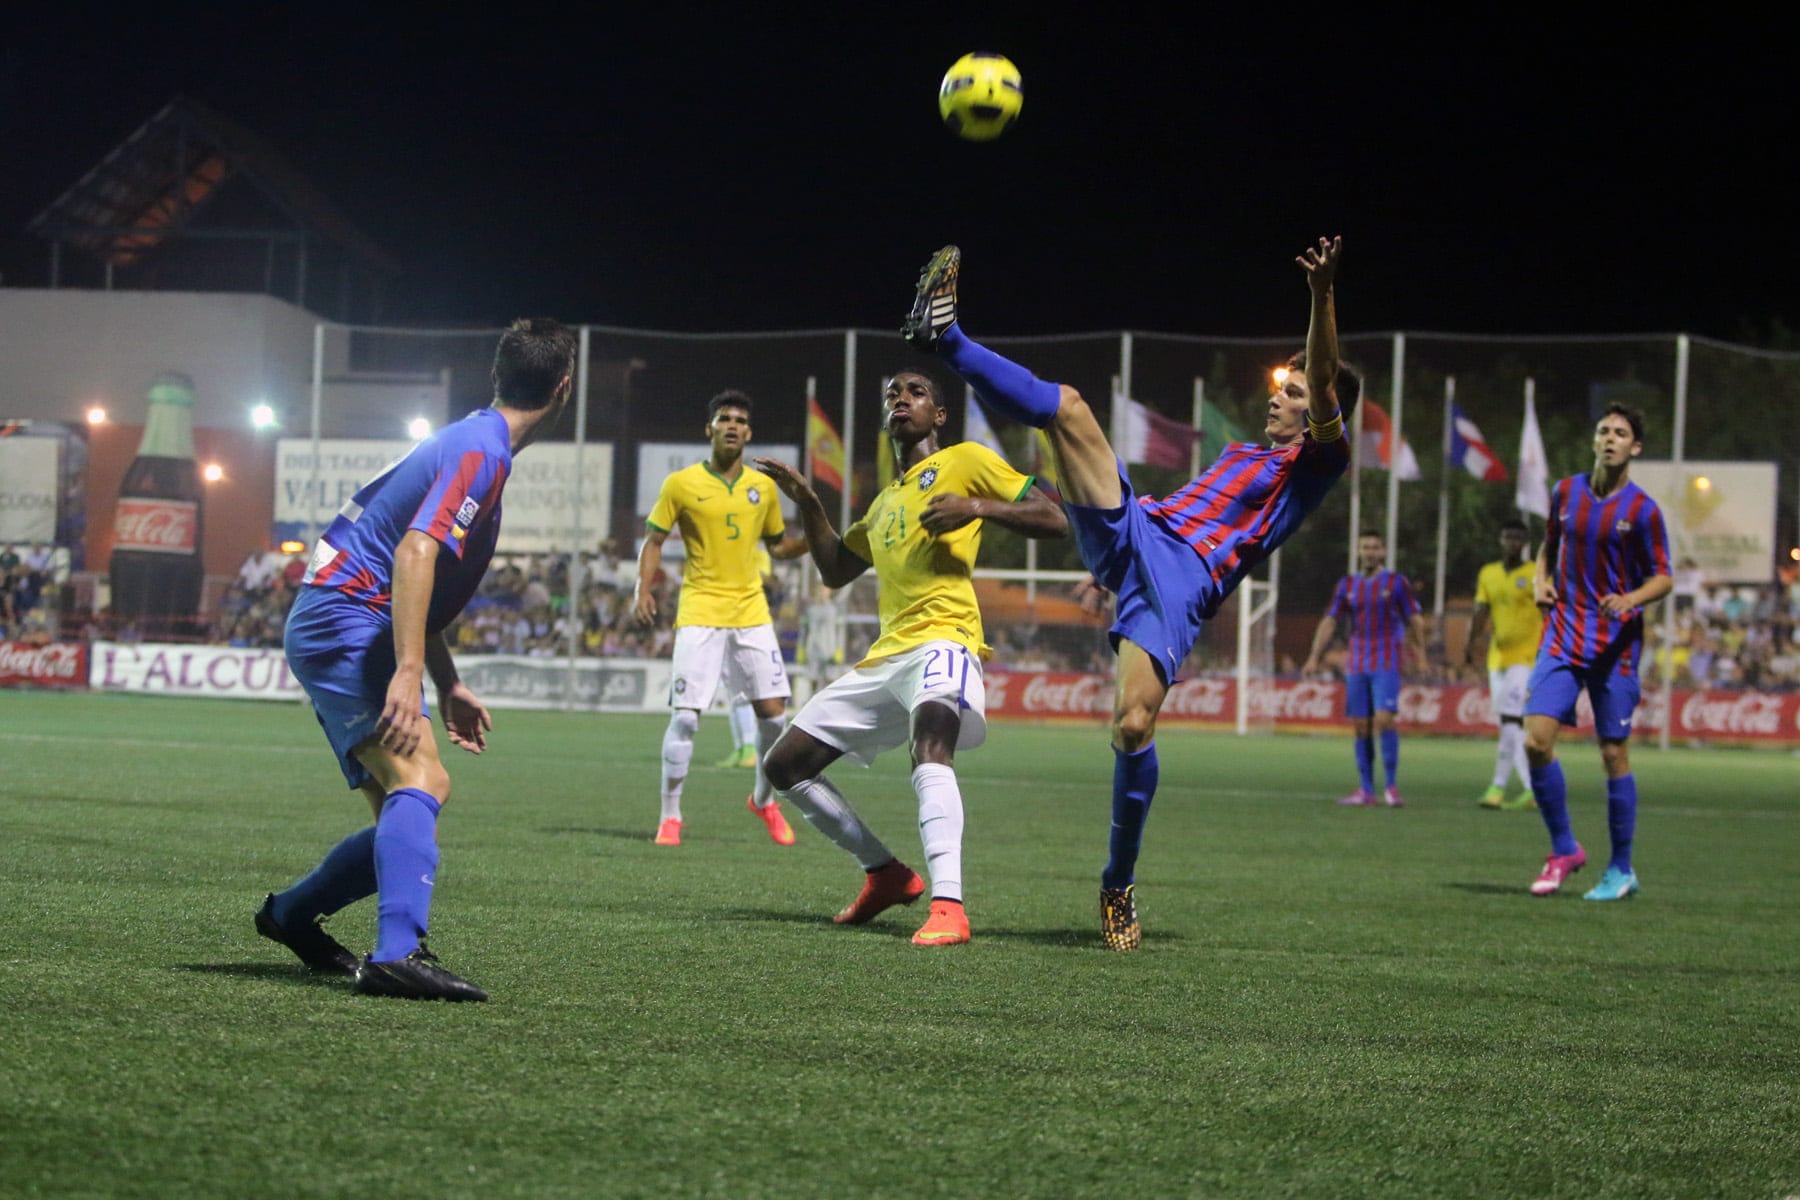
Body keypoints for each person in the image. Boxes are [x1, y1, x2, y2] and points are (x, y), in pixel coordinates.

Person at [900, 236, 1355, 951]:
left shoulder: (1320, 461)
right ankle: (946, 337)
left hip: (1181, 582)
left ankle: (1118, 881)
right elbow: (1184, 507)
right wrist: (1104, 559)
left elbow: (1326, 380)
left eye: (1293, 393)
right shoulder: (1243, 454)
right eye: (1283, 387)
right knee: (1069, 408)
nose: (1279, 396)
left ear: (1322, 410)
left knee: (1133, 726)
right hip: (1140, 529)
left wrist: (1322, 295)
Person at [258, 317, 577, 1001]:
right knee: (423, 781)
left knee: (403, 818)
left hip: (344, 614)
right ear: (564, 387)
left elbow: (413, 574)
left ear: (497, 376)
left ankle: (290, 916)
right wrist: (408, 672)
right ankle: (397, 955)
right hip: (348, 618)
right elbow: (414, 553)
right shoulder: (483, 451)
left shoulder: (474, 440)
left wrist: (447, 681)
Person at [756, 371, 1067, 947]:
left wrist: (977, 505)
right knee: (785, 766)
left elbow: (1054, 518)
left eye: (916, 392)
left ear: (939, 416)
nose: (901, 398)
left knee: (930, 748)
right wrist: (809, 504)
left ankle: (949, 905)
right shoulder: (883, 504)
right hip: (886, 658)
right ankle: (886, 874)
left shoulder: (965, 459)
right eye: (892, 393)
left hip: (945, 639)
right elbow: (835, 570)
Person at [635, 390, 809, 847]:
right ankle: (670, 817)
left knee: (774, 720)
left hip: (751, 612)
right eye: (724, 418)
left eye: (740, 421)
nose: (733, 425)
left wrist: (818, 534)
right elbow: (654, 540)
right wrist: (642, 589)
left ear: (749, 434)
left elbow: (779, 547)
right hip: (700, 610)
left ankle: (763, 801)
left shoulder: (763, 488)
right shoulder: (681, 484)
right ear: (709, 429)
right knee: (686, 719)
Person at [1523, 403, 1671, 900]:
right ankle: (1564, 849)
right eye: (1604, 430)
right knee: (1535, 742)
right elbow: (1548, 545)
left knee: (1612, 752)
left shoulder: (1644, 510)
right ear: (1594, 440)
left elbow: (1664, 577)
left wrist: (1631, 599)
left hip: (1616, 644)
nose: (1610, 438)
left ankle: (1621, 869)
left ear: (1635, 447)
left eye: (1621, 433)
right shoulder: (1565, 492)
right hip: (1563, 635)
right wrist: (1540, 581)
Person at [1303, 531, 1426, 807]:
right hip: (1357, 661)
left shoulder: (1396, 582)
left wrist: (1421, 655)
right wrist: (1313, 656)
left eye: (1375, 547)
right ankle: (1366, 790)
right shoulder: (1347, 585)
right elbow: (1330, 621)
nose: (1370, 552)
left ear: (1383, 552)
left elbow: (1415, 619)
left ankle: (1391, 788)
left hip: (1386, 659)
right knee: (1361, 726)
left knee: (1384, 720)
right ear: (1359, 552)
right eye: (1365, 547)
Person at [1463, 517, 1542, 810]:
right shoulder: (1489, 573)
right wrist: (1470, 644)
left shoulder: (1535, 573)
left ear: (1525, 543)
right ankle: (1530, 789)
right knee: (1510, 726)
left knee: (1510, 720)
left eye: (1518, 538)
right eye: (1508, 537)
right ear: (1501, 540)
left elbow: (1549, 611)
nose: (1512, 543)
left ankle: (1499, 787)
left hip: (1527, 657)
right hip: (1497, 658)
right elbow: (1481, 610)